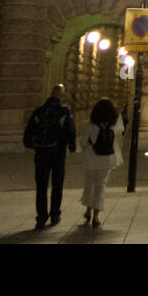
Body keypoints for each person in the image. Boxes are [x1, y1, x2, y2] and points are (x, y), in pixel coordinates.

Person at [23, 83, 77, 229]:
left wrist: (29, 144)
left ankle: (41, 218)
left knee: (41, 186)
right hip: (58, 152)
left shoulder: (39, 110)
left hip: (41, 152)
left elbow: (29, 129)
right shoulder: (63, 111)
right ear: (61, 95)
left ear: (51, 92)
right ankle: (55, 215)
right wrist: (72, 146)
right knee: (57, 185)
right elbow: (70, 130)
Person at [80, 98, 125, 227]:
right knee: (100, 186)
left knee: (89, 184)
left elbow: (83, 143)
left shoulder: (91, 125)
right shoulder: (113, 125)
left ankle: (88, 210)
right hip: (107, 160)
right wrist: (117, 113)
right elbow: (121, 129)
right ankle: (96, 216)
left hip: (91, 159)